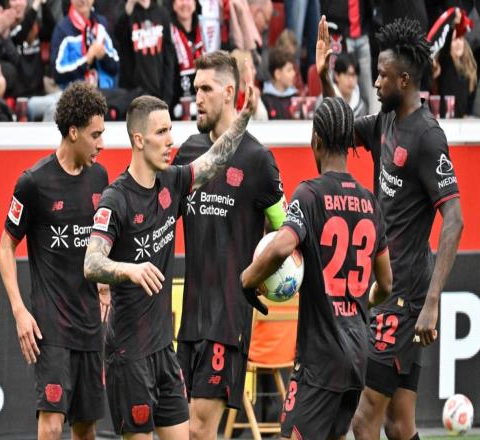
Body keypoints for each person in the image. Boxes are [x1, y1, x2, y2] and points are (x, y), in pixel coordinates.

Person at [83, 74, 256, 438]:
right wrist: (129, 270)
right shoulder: (116, 199)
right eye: (161, 132)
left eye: (170, 131)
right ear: (139, 139)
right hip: (129, 356)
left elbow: (214, 161)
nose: (170, 141)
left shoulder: (173, 181)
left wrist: (243, 116)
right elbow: (91, 263)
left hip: (164, 351)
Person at [316, 15, 464, 439]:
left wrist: (432, 303)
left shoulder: (427, 136)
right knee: (400, 424)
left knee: (363, 419)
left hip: (403, 299)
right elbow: (341, 130)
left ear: (404, 79)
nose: (375, 83)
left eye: (382, 76)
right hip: (387, 291)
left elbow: (454, 220)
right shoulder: (387, 120)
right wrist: (325, 77)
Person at [241, 96, 392, 440]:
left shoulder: (309, 195)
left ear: (316, 140)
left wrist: (247, 279)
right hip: (358, 353)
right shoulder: (370, 202)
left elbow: (282, 246)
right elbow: (386, 283)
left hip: (320, 358)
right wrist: (361, 303)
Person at [171, 50, 285, 439]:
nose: (197, 98)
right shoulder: (187, 153)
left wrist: (263, 275)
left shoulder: (258, 159)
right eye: (195, 89)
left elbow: (285, 232)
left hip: (227, 321)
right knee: (177, 429)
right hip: (189, 322)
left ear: (230, 93)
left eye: (206, 89)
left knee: (199, 429)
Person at [0, 81, 110, 440]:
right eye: (95, 135)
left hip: (91, 326)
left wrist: (105, 286)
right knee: (50, 426)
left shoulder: (100, 177)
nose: (102, 144)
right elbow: (5, 248)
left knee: (86, 431)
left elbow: (102, 242)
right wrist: (19, 311)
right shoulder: (33, 183)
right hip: (52, 328)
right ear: (73, 132)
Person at [262, 46, 298, 119]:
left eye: (293, 69)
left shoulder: (295, 97)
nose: (294, 73)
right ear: (277, 74)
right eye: (289, 70)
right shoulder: (265, 100)